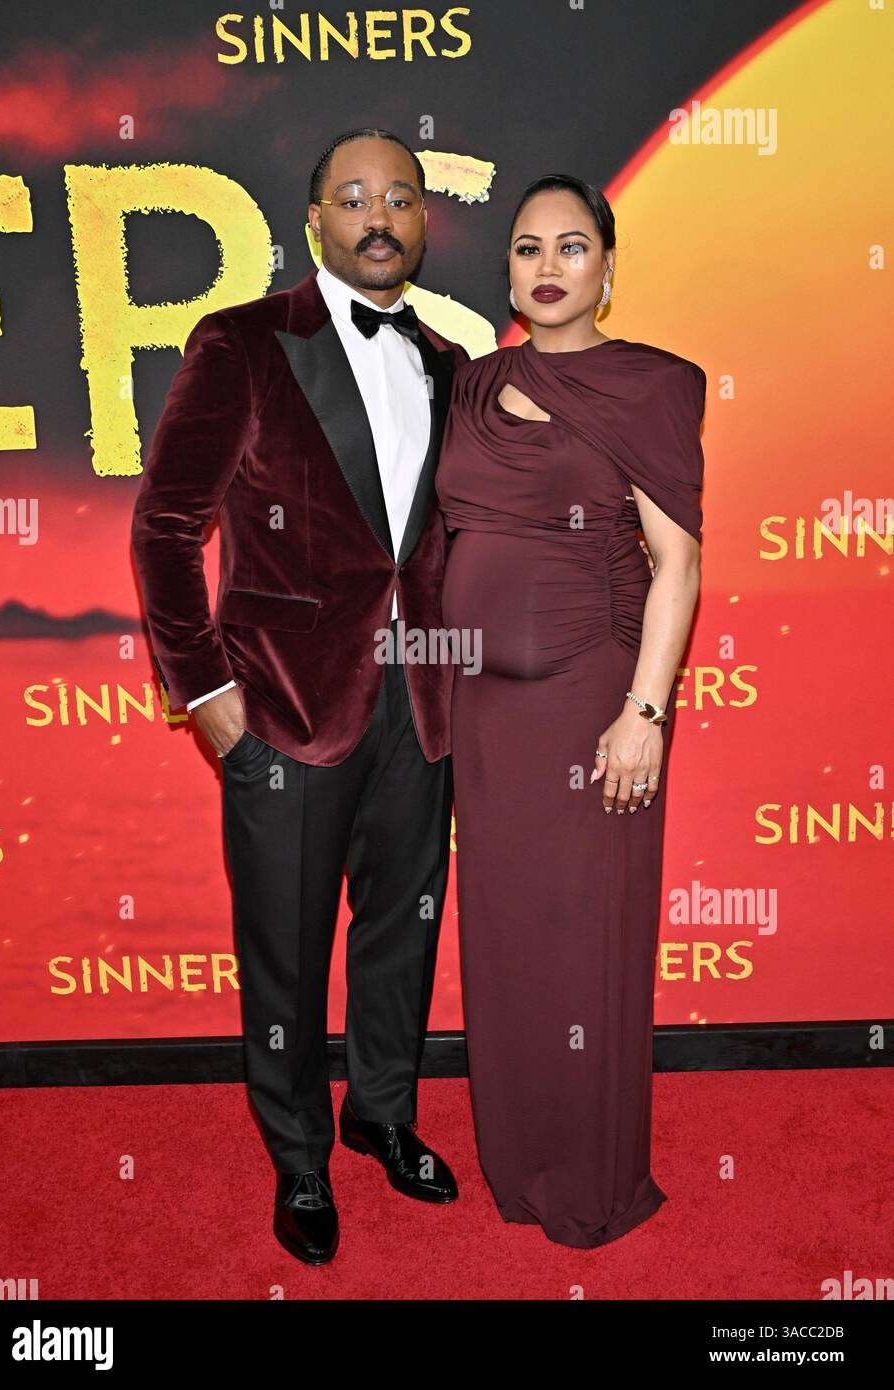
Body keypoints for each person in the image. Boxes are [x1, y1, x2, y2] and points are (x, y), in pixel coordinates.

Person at [131, 128, 470, 1266]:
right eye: (355, 198)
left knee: (400, 936)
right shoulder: (242, 344)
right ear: (315, 218)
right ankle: (299, 1159)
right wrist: (205, 695)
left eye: (401, 199)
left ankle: (381, 1114)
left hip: (418, 710)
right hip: (280, 707)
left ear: (423, 221)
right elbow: (166, 526)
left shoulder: (446, 361)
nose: (380, 217)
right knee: (282, 948)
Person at [435, 175, 707, 1247]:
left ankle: (588, 1183)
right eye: (525, 247)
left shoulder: (646, 386)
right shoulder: (467, 386)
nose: (546, 266)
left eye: (572, 247)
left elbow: (676, 559)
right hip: (484, 716)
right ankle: (518, 1165)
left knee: (584, 939)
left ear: (606, 266)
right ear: (504, 269)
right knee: (503, 942)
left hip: (595, 698)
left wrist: (644, 711)